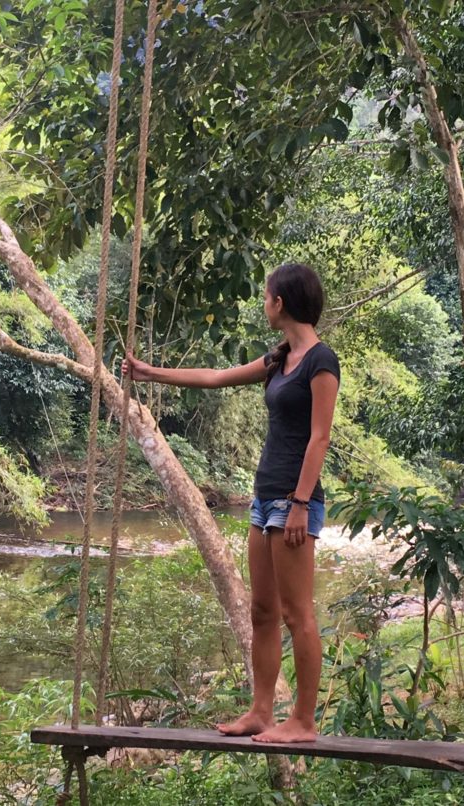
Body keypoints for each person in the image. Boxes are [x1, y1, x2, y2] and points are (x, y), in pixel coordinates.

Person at [122, 262, 340, 743]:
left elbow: (319, 438)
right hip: (264, 499)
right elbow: (215, 377)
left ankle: (303, 720)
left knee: (296, 613)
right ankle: (261, 712)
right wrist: (146, 371)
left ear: (279, 302)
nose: (264, 304)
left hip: (293, 499)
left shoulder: (321, 361)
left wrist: (302, 502)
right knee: (262, 610)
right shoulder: (278, 360)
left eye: (266, 296)